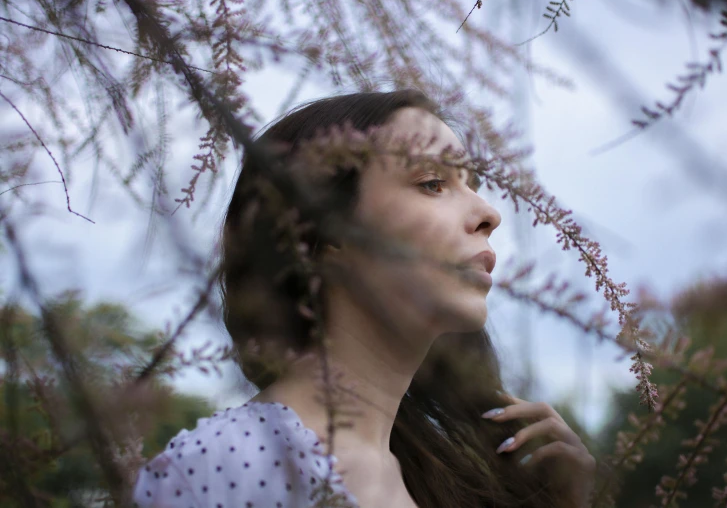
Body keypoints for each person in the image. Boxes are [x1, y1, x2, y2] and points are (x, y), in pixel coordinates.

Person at [132, 89, 595, 508]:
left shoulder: (443, 483)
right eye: (433, 183)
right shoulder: (224, 468)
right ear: (324, 233)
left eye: (470, 183)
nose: (488, 213)